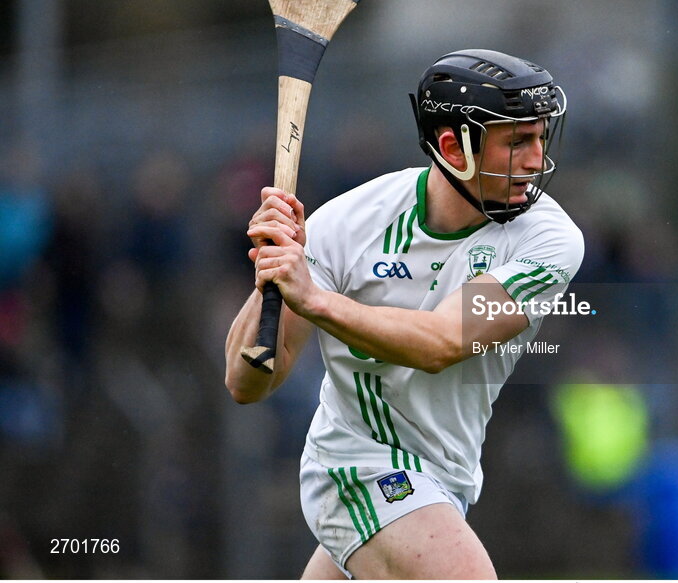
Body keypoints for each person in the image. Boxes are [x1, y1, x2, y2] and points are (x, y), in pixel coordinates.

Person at [224, 49, 584, 579]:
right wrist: (272, 279)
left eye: (539, 137)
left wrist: (316, 298)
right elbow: (247, 382)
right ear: (451, 146)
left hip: (443, 478)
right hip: (360, 464)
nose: (535, 159)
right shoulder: (349, 223)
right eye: (517, 142)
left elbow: (442, 342)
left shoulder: (550, 241)